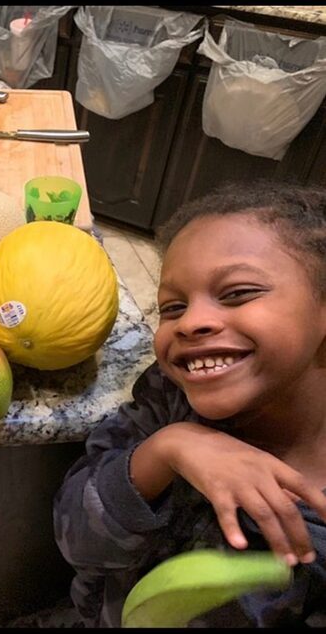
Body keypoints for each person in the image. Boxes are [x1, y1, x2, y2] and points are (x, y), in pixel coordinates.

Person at [52, 180, 326, 628]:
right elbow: (76, 539)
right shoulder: (169, 396)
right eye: (173, 307)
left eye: (238, 293)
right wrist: (169, 448)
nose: (192, 322)